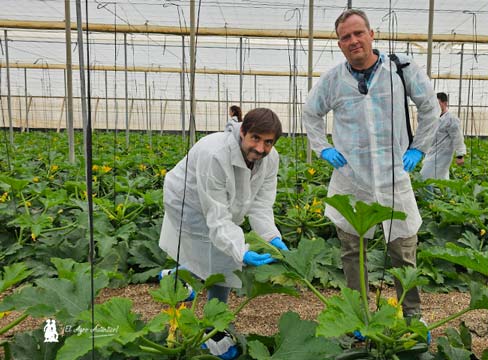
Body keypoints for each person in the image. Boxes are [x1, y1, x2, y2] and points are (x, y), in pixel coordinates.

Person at [303, 9, 439, 324]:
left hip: (394, 178)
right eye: (345, 37)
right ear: (339, 44)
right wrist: (323, 149)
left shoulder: (401, 69)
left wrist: (418, 148)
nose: (353, 41)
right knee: (353, 252)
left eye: (357, 33)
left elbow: (430, 107)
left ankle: (413, 316)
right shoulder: (333, 80)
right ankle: (359, 317)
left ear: (371, 34)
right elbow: (310, 114)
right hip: (352, 180)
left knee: (403, 251)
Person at [159, 108, 288, 359]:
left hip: (220, 207)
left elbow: (261, 204)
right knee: (221, 260)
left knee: (214, 254)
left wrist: (273, 237)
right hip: (189, 202)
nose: (261, 148)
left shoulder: (270, 159)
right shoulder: (215, 154)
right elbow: (217, 217)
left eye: (268, 142)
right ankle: (214, 328)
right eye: (256, 138)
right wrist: (242, 251)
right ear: (242, 132)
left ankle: (174, 277)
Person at [420, 92, 466, 180]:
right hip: (432, 152)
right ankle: (444, 193)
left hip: (443, 154)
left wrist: (460, 155)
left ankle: (430, 194)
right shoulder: (435, 118)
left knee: (424, 178)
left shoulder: (451, 119)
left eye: (438, 104)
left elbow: (458, 138)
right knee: (441, 179)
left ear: (445, 103)